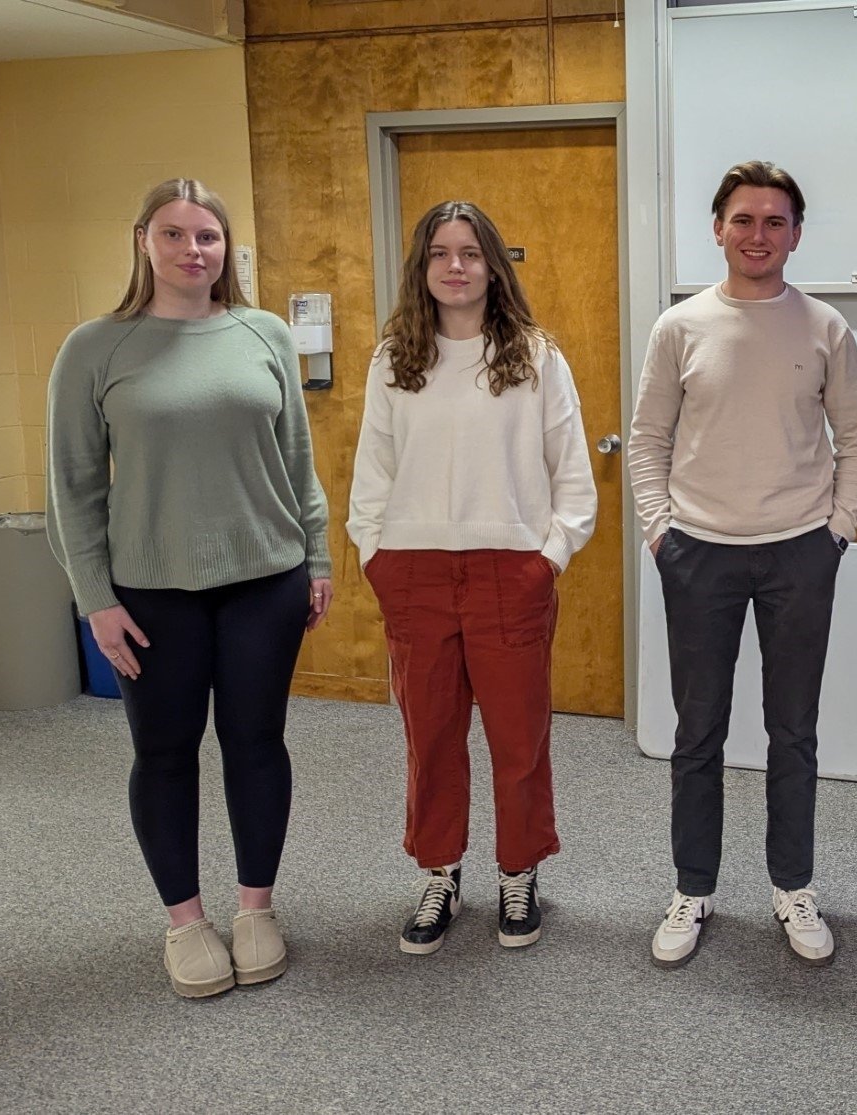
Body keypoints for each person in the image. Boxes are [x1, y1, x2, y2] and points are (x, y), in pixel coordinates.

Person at [45, 178, 332, 998]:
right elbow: (72, 487)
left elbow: (297, 461)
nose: (192, 250)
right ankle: (186, 923)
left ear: (225, 247)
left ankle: (255, 910)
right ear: (143, 240)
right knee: (165, 752)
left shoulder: (263, 332)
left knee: (257, 742)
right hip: (149, 593)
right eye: (173, 234)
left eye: (207, 235)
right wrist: (94, 598)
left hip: (265, 580)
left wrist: (316, 558)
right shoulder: (94, 348)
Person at [627, 160, 857, 969]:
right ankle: (692, 887)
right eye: (743, 219)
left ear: (796, 234)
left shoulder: (825, 327)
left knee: (792, 731)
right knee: (698, 731)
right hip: (699, 553)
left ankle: (793, 885)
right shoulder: (680, 327)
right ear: (718, 229)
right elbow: (647, 440)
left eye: (775, 221)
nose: (758, 234)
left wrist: (836, 532)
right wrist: (661, 533)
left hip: (799, 552)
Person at [348, 201, 597, 956]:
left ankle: (518, 871)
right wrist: (374, 554)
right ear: (421, 267)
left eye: (469, 253)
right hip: (414, 571)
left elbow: (572, 472)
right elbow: (373, 471)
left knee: (519, 739)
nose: (454, 267)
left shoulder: (535, 356)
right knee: (431, 736)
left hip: (508, 571)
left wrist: (548, 557)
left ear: (492, 265)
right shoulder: (394, 359)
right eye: (439, 253)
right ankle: (441, 872)